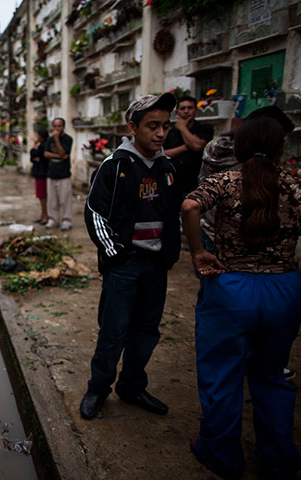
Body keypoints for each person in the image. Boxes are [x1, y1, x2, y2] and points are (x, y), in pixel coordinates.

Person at [181, 114, 301, 479]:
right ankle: (278, 457)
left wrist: (198, 252)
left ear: (238, 146)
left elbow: (189, 205)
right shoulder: (295, 187)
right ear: (282, 149)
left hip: (231, 290)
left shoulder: (227, 181)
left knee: (222, 373)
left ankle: (221, 454)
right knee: (271, 375)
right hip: (283, 290)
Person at [81, 92, 181, 420]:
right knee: (114, 329)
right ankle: (99, 387)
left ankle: (132, 385)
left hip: (156, 265)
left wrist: (171, 250)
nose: (160, 133)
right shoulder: (117, 166)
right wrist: (116, 254)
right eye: (152, 125)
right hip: (125, 264)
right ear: (133, 127)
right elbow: (95, 211)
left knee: (147, 328)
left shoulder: (167, 167)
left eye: (165, 126)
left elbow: (175, 212)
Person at [163, 95, 214, 196]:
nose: (186, 111)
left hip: (197, 184)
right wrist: (186, 146)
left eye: (190, 108)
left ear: (196, 111)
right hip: (173, 185)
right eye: (183, 108)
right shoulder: (170, 133)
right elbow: (163, 153)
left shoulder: (205, 128)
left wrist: (182, 128)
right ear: (177, 112)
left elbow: (197, 146)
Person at [43, 117, 74, 230]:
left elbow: (64, 152)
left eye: (59, 126)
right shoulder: (49, 139)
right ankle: (53, 219)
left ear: (63, 127)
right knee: (52, 200)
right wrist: (59, 156)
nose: (57, 128)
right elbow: (46, 154)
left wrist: (56, 139)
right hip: (51, 173)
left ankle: (67, 220)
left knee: (65, 199)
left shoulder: (68, 139)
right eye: (55, 126)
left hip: (64, 174)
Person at [30, 125, 50, 224]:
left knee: (43, 196)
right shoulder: (41, 144)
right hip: (38, 172)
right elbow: (32, 157)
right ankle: (43, 215)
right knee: (40, 196)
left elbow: (34, 154)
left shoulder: (43, 145)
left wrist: (34, 144)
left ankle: (45, 215)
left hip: (42, 173)